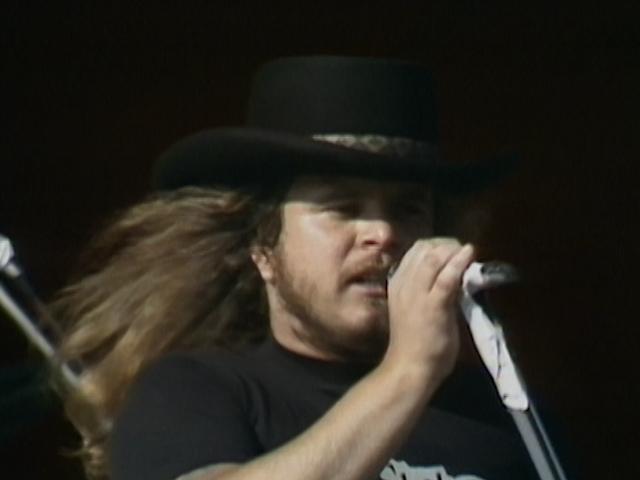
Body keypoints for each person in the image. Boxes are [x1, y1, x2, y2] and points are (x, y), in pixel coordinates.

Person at [52, 56, 534, 480]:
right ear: (264, 247)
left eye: (408, 209)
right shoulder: (196, 392)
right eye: (343, 207)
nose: (382, 234)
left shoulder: (503, 414)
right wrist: (407, 373)